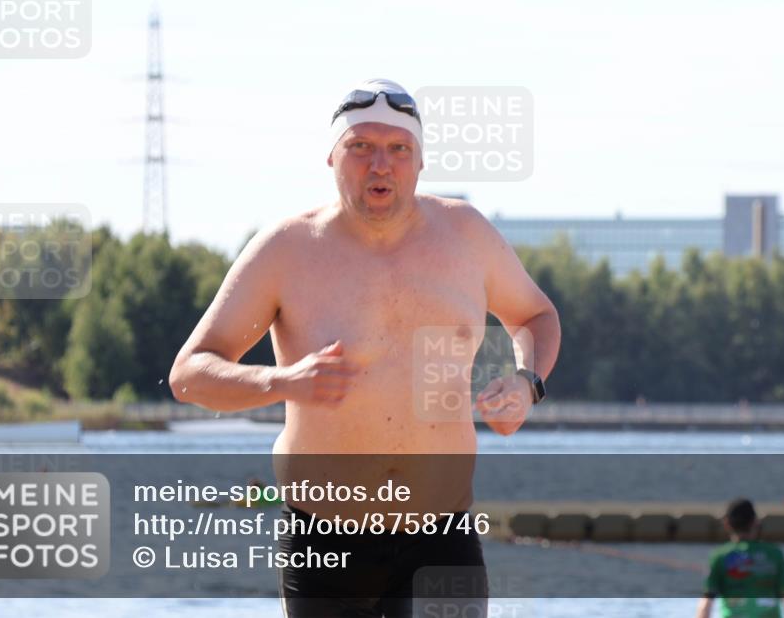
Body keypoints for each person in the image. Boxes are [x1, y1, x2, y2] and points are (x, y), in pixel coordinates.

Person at [169, 79, 561, 617]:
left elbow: (536, 315)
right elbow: (190, 373)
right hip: (324, 542)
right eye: (361, 148)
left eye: (398, 149)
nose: (381, 165)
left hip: (440, 537)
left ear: (420, 162)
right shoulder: (287, 249)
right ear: (332, 157)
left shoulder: (466, 237)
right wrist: (280, 382)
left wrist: (525, 381)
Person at [695, 498, 784, 618]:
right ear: (755, 522)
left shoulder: (719, 556)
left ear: (727, 524)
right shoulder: (774, 554)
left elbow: (706, 605)